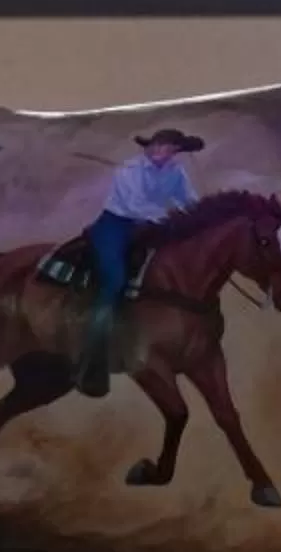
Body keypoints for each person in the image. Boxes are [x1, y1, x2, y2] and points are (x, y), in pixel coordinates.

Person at [76, 127, 204, 396]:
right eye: (156, 145)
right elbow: (135, 206)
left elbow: (190, 200)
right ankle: (92, 350)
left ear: (175, 151)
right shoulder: (129, 170)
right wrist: (170, 215)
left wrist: (200, 215)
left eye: (166, 147)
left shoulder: (176, 172)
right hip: (115, 225)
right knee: (115, 280)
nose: (159, 150)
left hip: (151, 225)